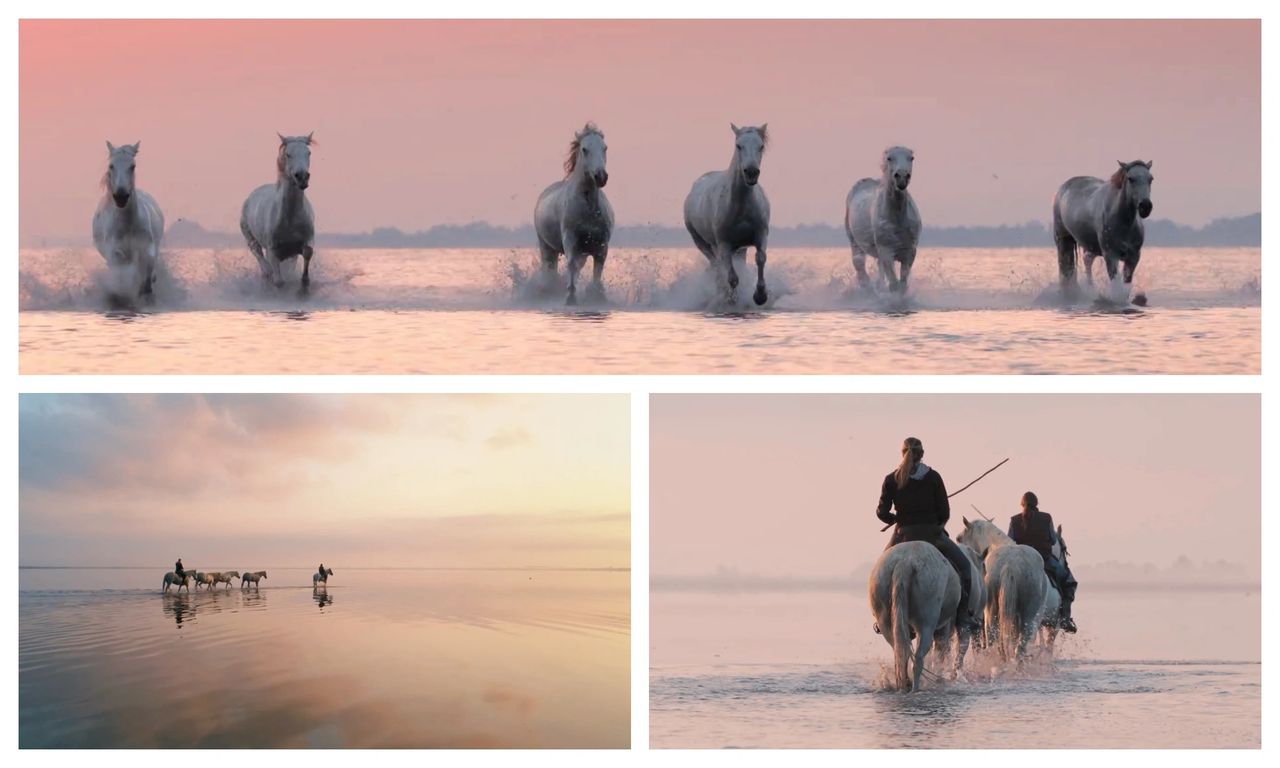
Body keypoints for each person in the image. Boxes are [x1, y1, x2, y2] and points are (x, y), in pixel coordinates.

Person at [876, 437, 980, 632]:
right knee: (965, 568)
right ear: (921, 454)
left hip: (903, 534)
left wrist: (895, 519)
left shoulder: (891, 479)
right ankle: (964, 615)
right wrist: (936, 524)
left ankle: (881, 617)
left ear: (902, 453)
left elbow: (881, 512)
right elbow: (945, 512)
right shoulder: (933, 477)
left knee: (880, 571)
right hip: (933, 534)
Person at [1008, 491, 1078, 633]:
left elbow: (1009, 542)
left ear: (1021, 504)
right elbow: (1053, 540)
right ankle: (1065, 618)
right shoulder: (1046, 518)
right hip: (1044, 560)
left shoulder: (1014, 520)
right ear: (1037, 504)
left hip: (1020, 563)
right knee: (1070, 582)